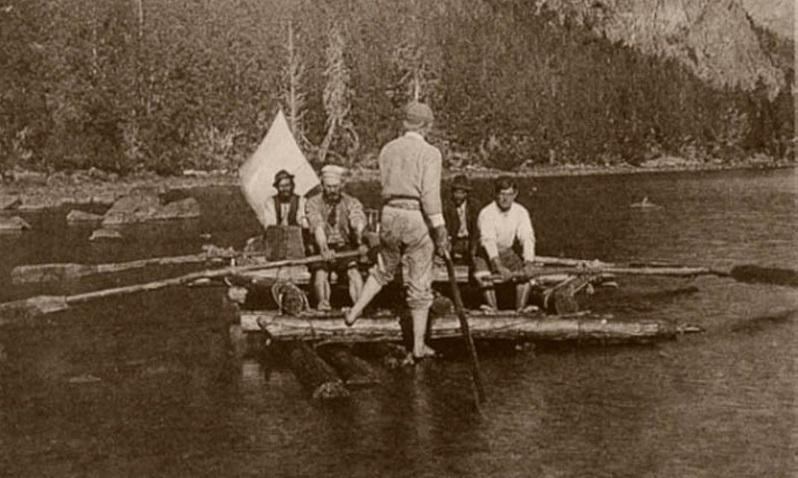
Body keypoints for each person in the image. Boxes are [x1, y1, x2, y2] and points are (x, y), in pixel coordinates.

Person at [344, 101, 449, 361]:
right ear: (426, 125)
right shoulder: (430, 153)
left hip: (389, 214)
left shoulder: (388, 149)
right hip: (415, 216)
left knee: (383, 267)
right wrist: (441, 229)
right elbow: (430, 196)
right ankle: (418, 345)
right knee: (420, 282)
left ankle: (355, 311)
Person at [305, 164, 368, 311]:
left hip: (344, 247)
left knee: (353, 271)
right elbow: (317, 226)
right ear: (322, 185)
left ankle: (359, 307)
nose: (332, 190)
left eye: (335, 186)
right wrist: (323, 248)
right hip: (321, 246)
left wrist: (358, 232)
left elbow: (358, 218)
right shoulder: (313, 202)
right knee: (321, 273)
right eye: (328, 187)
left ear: (341, 186)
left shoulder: (351, 202)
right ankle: (324, 304)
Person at [474, 177, 537, 312]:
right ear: (496, 194)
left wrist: (529, 262)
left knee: (526, 276)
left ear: (515, 194)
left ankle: (520, 308)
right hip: (486, 254)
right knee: (483, 276)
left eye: (509, 194)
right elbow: (488, 241)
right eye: (502, 194)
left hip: (507, 252)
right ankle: (493, 308)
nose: (505, 199)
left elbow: (527, 237)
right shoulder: (486, 213)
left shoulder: (521, 212)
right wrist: (498, 266)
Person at [443, 174, 478, 269]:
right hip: (455, 241)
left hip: (469, 240)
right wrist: (448, 241)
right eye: (456, 192)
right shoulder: (447, 207)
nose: (458, 196)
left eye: (462, 193)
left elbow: (475, 229)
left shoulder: (473, 206)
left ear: (466, 194)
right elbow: (446, 227)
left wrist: (473, 247)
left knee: (475, 261)